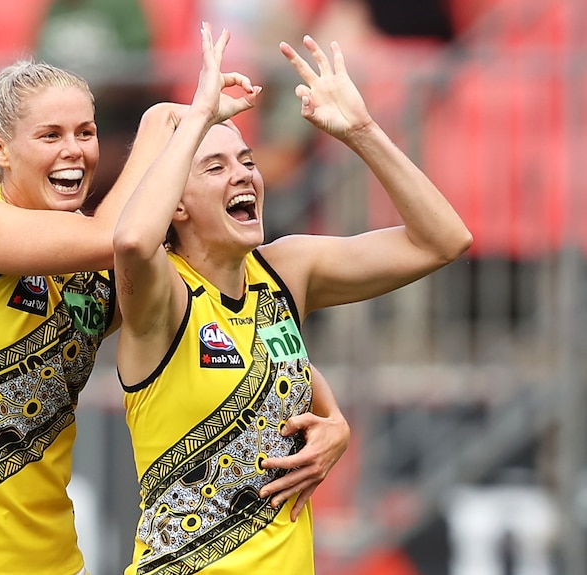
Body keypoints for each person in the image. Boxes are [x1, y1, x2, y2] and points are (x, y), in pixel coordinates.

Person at [0, 57, 349, 575]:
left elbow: (250, 342)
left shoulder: (100, 274)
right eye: (50, 135)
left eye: (85, 132)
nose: (73, 150)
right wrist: (157, 130)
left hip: (51, 561)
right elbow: (110, 238)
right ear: (0, 149)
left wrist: (333, 414)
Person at [113, 23, 472, 574]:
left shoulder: (287, 269)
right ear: (176, 208)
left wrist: (362, 130)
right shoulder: (164, 294)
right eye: (215, 167)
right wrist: (198, 115)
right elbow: (133, 240)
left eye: (248, 161)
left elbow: (443, 241)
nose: (245, 176)